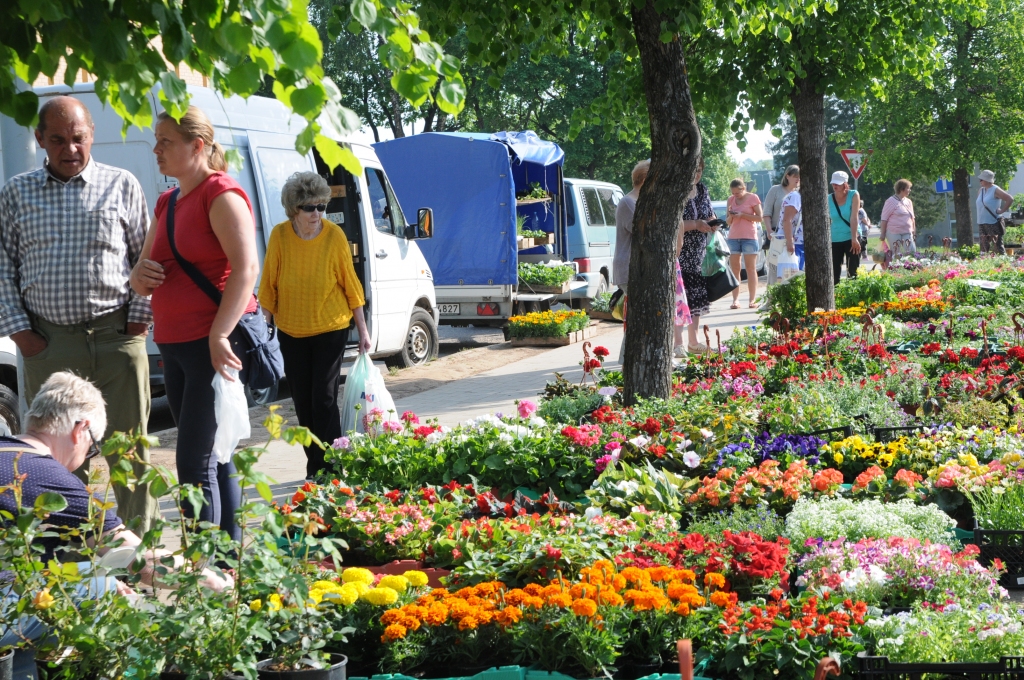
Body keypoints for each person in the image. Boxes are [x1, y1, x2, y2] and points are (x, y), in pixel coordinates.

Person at [0, 372, 231, 678]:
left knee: (80, 580)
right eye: (93, 448)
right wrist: (215, 581)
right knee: (111, 595)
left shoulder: (7, 450)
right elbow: (137, 559)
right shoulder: (50, 480)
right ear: (80, 429)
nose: (87, 457)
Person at [0, 95, 157, 532]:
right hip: (49, 343)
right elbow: (1, 268)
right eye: (58, 140)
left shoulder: (121, 184)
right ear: (39, 140)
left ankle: (141, 557)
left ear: (92, 137)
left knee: (130, 453)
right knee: (56, 460)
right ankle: (72, 561)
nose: (70, 149)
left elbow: (147, 257)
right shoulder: (16, 193)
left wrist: (138, 323)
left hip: (115, 335)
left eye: (78, 138)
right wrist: (21, 334)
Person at [130, 106, 260, 541]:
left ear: (197, 146)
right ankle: (227, 562)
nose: (156, 149)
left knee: (193, 463)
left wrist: (220, 333)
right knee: (216, 457)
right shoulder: (168, 200)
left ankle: (203, 571)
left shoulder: (219, 193)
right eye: (157, 140)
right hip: (173, 343)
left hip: (211, 344)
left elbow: (247, 269)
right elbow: (144, 271)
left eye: (165, 141)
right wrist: (138, 277)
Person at [258, 172, 371, 478]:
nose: (317, 214)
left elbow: (351, 284)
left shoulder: (333, 236)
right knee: (304, 405)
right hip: (292, 332)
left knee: (323, 398)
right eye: (310, 208)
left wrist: (362, 330)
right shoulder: (280, 236)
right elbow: (269, 286)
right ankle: (314, 466)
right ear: (294, 208)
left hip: (330, 329)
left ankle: (333, 466)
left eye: (321, 207)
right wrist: (261, 332)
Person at [678, 157, 717, 354]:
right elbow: (673, 224)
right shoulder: (677, 190)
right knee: (680, 298)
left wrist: (712, 223)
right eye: (694, 171)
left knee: (696, 299)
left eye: (700, 171)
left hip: (699, 254)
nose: (697, 175)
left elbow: (708, 213)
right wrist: (695, 225)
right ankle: (678, 343)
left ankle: (694, 342)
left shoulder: (702, 189)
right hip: (681, 252)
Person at [613, 160, 649, 363]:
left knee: (639, 315)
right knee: (637, 316)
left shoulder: (637, 201)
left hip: (634, 267)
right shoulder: (629, 202)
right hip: (628, 266)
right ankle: (628, 360)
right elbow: (642, 232)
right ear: (644, 179)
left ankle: (630, 359)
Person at [725, 178, 763, 309]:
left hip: (749, 237)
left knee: (751, 269)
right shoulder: (730, 200)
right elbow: (728, 222)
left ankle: (752, 299)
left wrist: (742, 215)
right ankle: (735, 300)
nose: (735, 195)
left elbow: (760, 217)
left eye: (737, 193)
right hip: (733, 237)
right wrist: (731, 215)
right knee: (735, 269)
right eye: (733, 193)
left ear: (743, 188)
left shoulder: (753, 198)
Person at [762, 165, 800, 285]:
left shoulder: (799, 193)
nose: (798, 179)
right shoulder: (776, 190)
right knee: (775, 268)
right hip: (777, 233)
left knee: (790, 271)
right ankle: (771, 298)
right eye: (795, 176)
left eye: (799, 177)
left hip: (794, 235)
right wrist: (769, 230)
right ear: (787, 176)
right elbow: (767, 212)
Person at [828, 171, 862, 285]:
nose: (835, 186)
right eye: (833, 183)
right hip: (835, 239)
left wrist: (854, 238)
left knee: (853, 271)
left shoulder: (853, 194)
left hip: (851, 237)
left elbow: (854, 217)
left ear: (845, 183)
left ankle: (853, 298)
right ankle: (835, 298)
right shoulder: (828, 199)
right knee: (834, 273)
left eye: (838, 183)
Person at [976, 170, 1014, 254]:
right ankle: (982, 264)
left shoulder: (995, 189)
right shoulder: (981, 190)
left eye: (981, 179)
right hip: (982, 222)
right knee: (983, 247)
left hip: (993, 222)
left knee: (997, 246)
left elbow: (1010, 199)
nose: (980, 181)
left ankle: (1004, 264)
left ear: (987, 180)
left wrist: (1002, 210)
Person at [879, 179, 917, 262]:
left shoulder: (908, 201)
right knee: (896, 254)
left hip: (907, 231)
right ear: (901, 189)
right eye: (908, 188)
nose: (909, 190)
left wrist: (914, 230)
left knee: (911, 252)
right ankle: (897, 271)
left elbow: (912, 217)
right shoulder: (890, 201)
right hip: (894, 232)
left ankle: (911, 269)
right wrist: (882, 233)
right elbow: (884, 219)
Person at [780, 183, 804, 271]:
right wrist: (790, 242)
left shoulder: (797, 196)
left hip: (799, 241)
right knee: (793, 275)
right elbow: (787, 220)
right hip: (795, 242)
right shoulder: (795, 197)